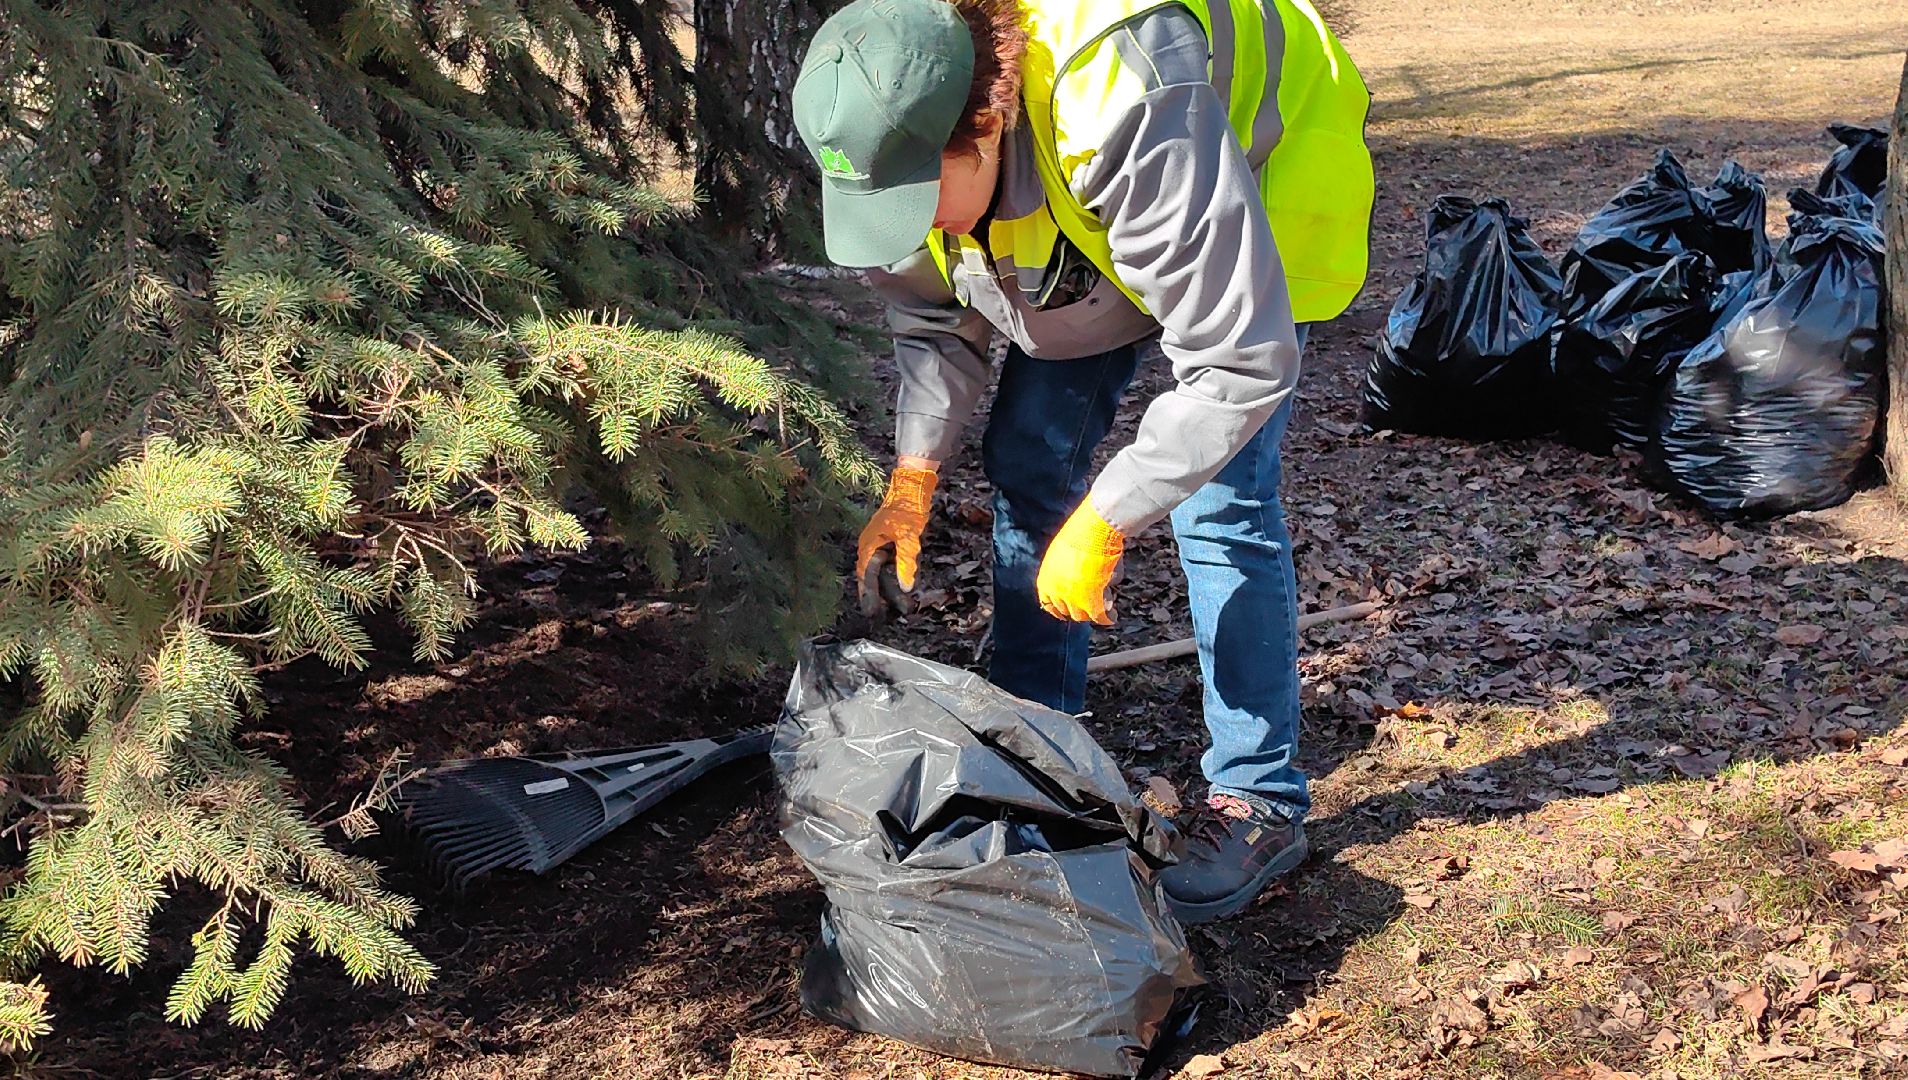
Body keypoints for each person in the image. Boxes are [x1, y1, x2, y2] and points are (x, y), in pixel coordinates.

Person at [791, 0, 1372, 923]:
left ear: (985, 126)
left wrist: (1106, 518)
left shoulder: (1117, 96)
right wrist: (913, 473)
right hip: (1093, 220)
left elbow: (1237, 359)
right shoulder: (878, 108)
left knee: (1217, 503)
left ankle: (1259, 798)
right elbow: (936, 317)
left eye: (913, 200)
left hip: (1253, 175)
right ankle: (1037, 740)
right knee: (1029, 453)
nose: (901, 230)